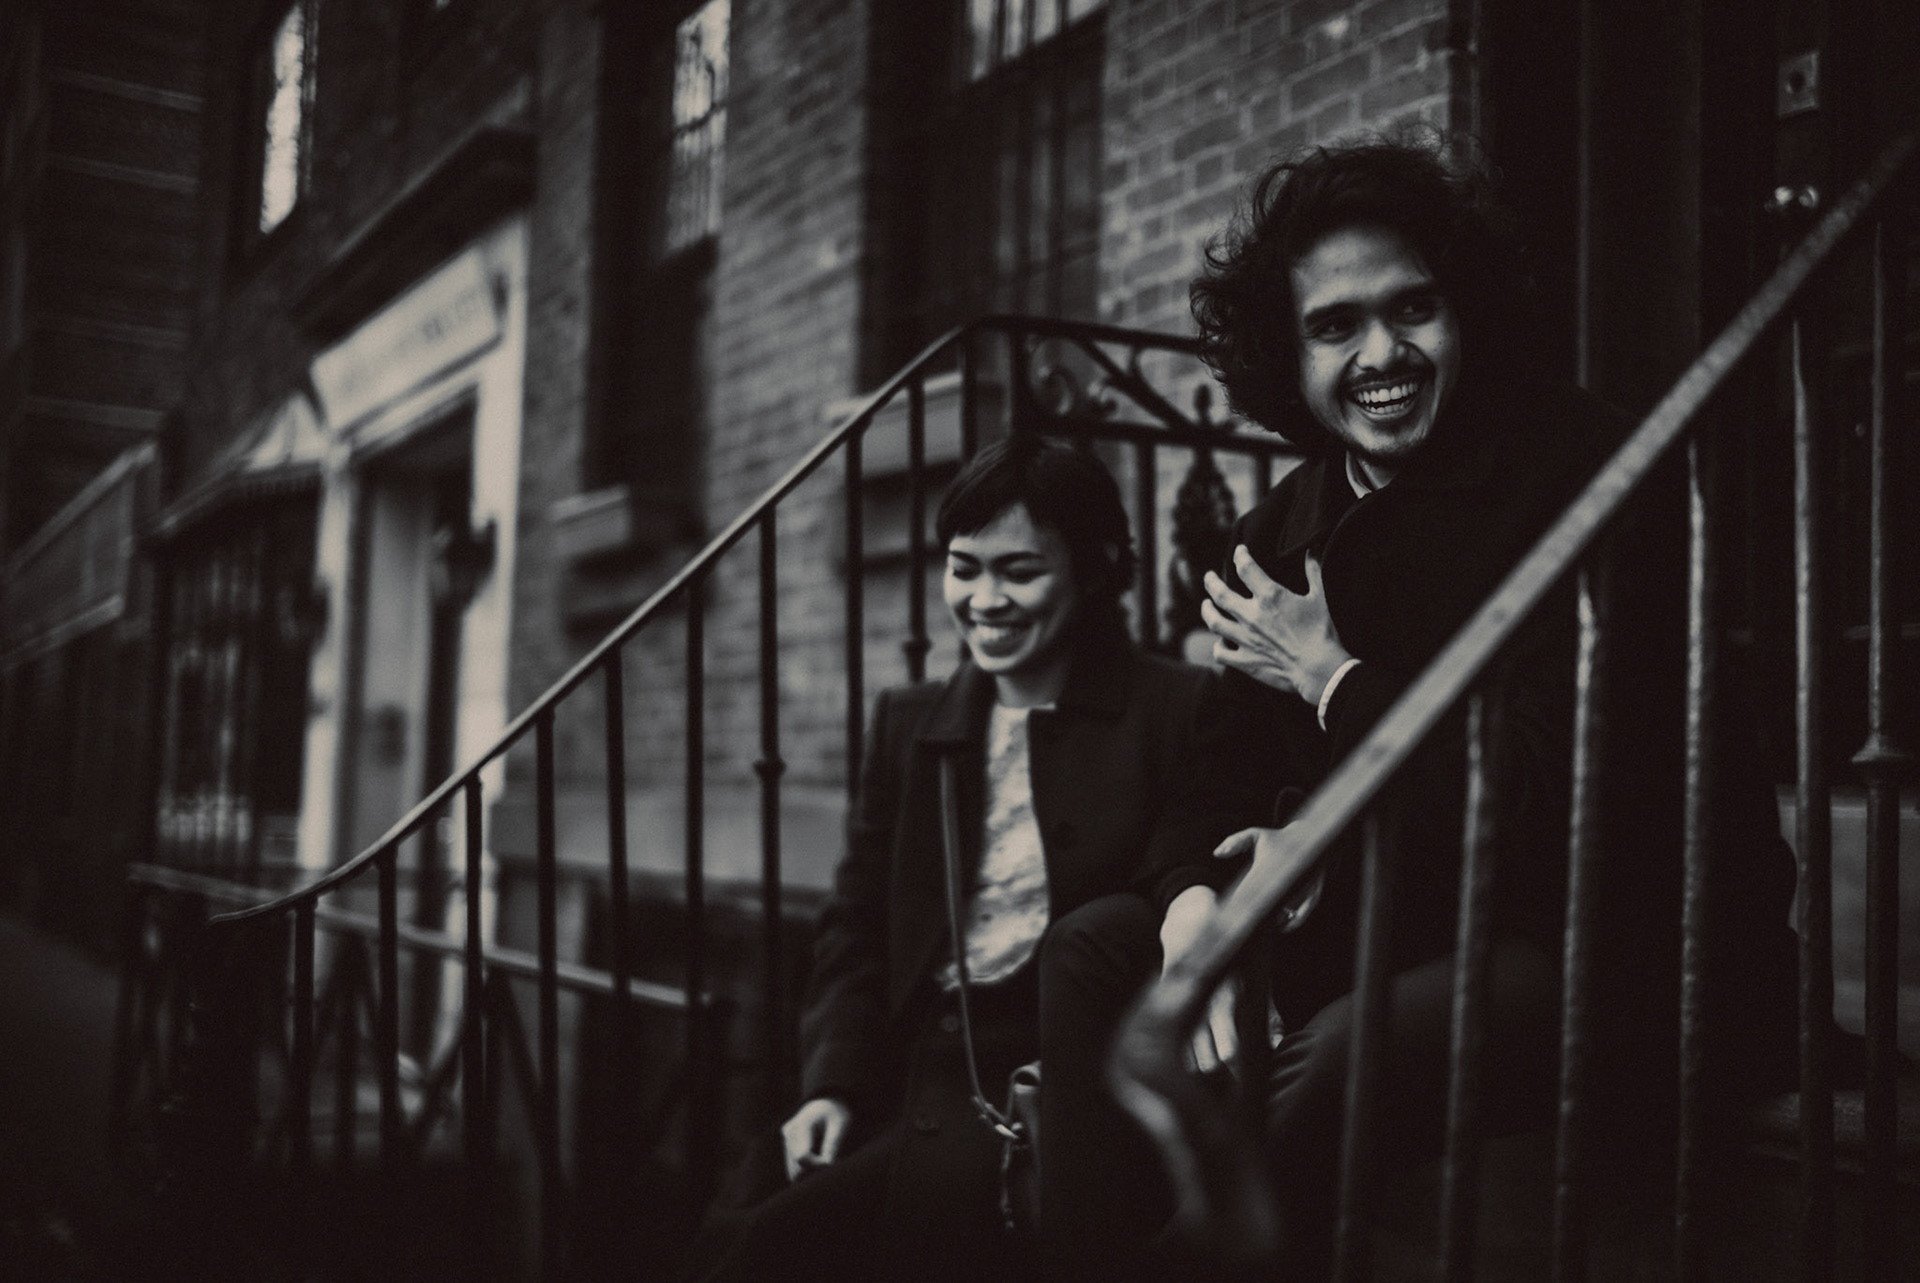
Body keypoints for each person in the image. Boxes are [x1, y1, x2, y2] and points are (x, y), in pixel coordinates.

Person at [1049, 138, 1802, 1277]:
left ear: (1468, 311)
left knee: (1341, 1054)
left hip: (1602, 940)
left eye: (1414, 308)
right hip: (1389, 926)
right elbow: (1210, 784)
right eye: (1334, 324)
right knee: (1097, 950)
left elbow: (1559, 797)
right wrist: (1194, 902)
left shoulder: (1581, 472)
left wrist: (1334, 679)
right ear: (1285, 355)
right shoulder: (1279, 531)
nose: (1382, 354)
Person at [695, 435, 1213, 1282]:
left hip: (1045, 1089)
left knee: (787, 1245)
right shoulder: (911, 724)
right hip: (902, 1079)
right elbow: (854, 930)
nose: (984, 599)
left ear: (1095, 566)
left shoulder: (1172, 710)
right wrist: (832, 1084)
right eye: (964, 568)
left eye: (1020, 570)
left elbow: (1173, 894)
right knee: (744, 1228)